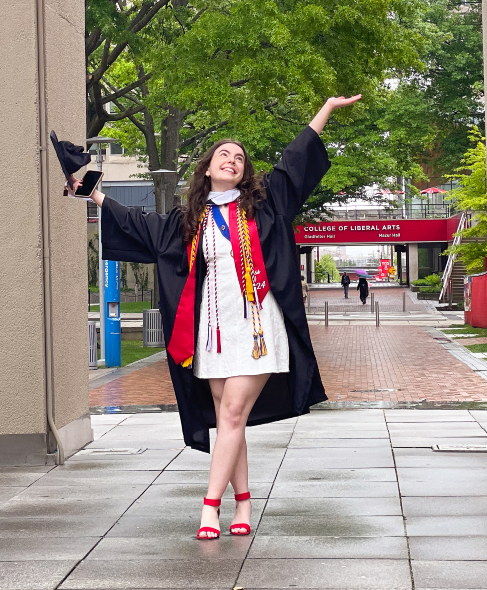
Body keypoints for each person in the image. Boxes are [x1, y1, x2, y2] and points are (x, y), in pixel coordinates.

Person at [69, 95, 362, 540]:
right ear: (207, 169)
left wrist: (324, 110)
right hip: (213, 334)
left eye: (239, 157)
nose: (232, 160)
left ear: (245, 173)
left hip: (258, 329)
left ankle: (210, 507)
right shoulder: (191, 220)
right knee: (231, 418)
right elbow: (136, 223)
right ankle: (244, 503)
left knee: (232, 412)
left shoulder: (265, 206)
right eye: (223, 154)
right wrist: (92, 190)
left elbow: (295, 160)